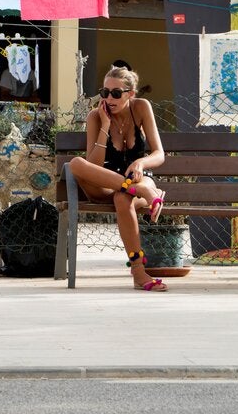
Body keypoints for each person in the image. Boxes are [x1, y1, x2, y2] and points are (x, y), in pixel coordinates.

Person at [68, 66, 169, 291]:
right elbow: (93, 164)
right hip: (105, 185)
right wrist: (104, 126)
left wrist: (140, 163)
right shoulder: (96, 117)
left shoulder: (141, 107)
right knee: (76, 164)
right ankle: (141, 191)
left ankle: (138, 272)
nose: (109, 99)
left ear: (130, 94)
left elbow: (159, 154)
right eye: (105, 93)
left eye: (115, 93)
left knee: (122, 198)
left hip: (137, 180)